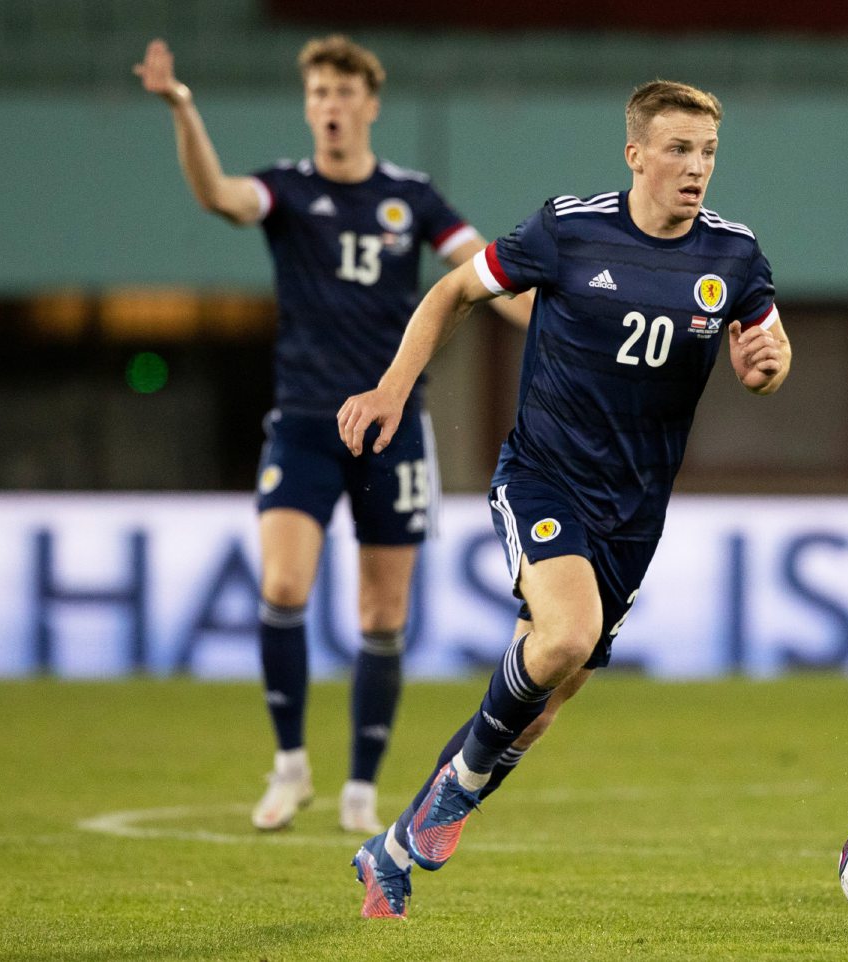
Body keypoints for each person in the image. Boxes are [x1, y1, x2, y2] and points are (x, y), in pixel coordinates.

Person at [337, 79, 792, 919]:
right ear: (637, 154)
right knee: (568, 632)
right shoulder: (568, 230)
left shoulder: (733, 255)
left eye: (709, 153)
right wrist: (394, 389)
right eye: (680, 150)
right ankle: (444, 811)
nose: (697, 169)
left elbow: (766, 346)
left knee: (539, 711)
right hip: (544, 475)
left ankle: (392, 851)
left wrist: (767, 367)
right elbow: (453, 292)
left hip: (634, 513)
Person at [133, 35, 532, 834]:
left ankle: (359, 788)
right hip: (306, 425)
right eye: (318, 94)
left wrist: (560, 320)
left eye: (345, 94)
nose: (331, 107)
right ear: (308, 106)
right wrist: (183, 109)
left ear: (370, 105)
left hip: (391, 427)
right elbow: (217, 195)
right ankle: (289, 768)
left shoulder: (411, 197)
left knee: (382, 614)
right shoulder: (285, 190)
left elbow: (484, 276)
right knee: (283, 587)